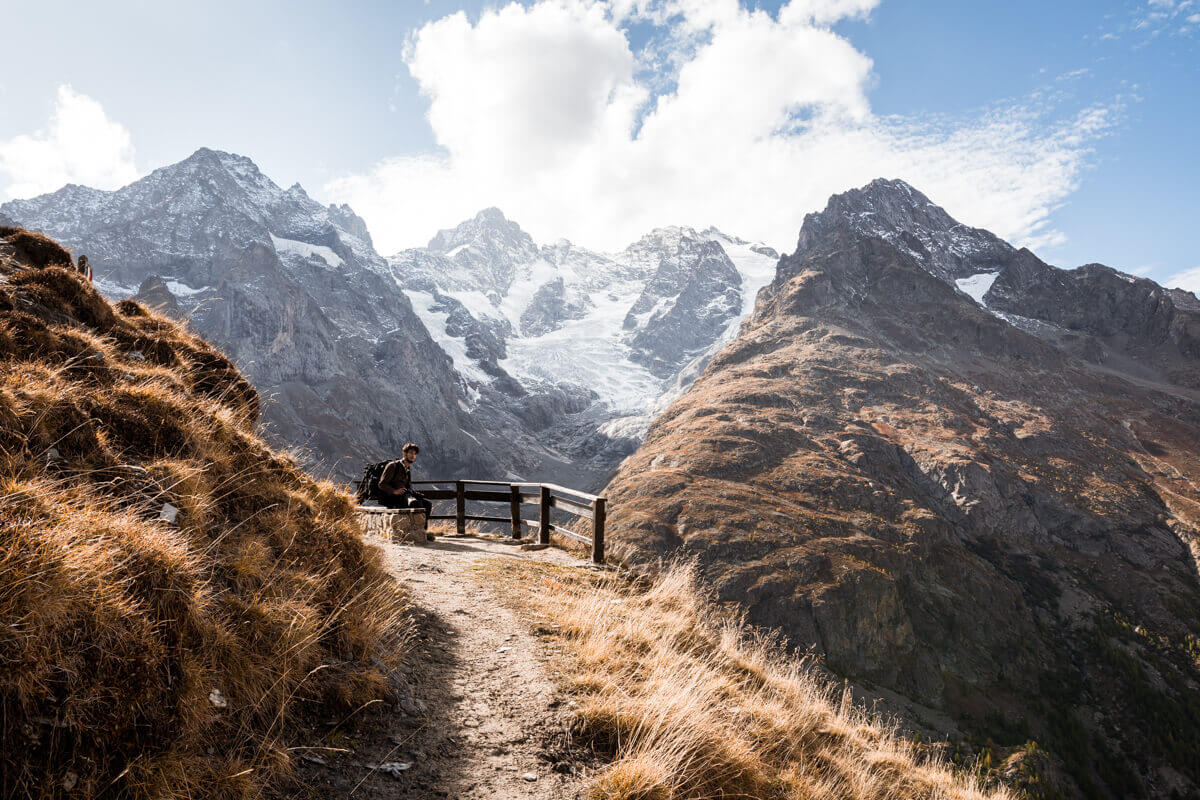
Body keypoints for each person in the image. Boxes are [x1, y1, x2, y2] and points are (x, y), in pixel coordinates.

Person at [377, 443, 432, 527]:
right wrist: (394, 491)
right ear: (404, 453)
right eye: (410, 453)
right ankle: (414, 529)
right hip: (393, 498)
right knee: (415, 503)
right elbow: (382, 484)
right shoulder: (393, 466)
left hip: (404, 497)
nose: (413, 456)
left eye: (415, 454)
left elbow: (407, 486)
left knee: (427, 504)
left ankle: (422, 531)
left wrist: (413, 493)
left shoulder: (407, 468)